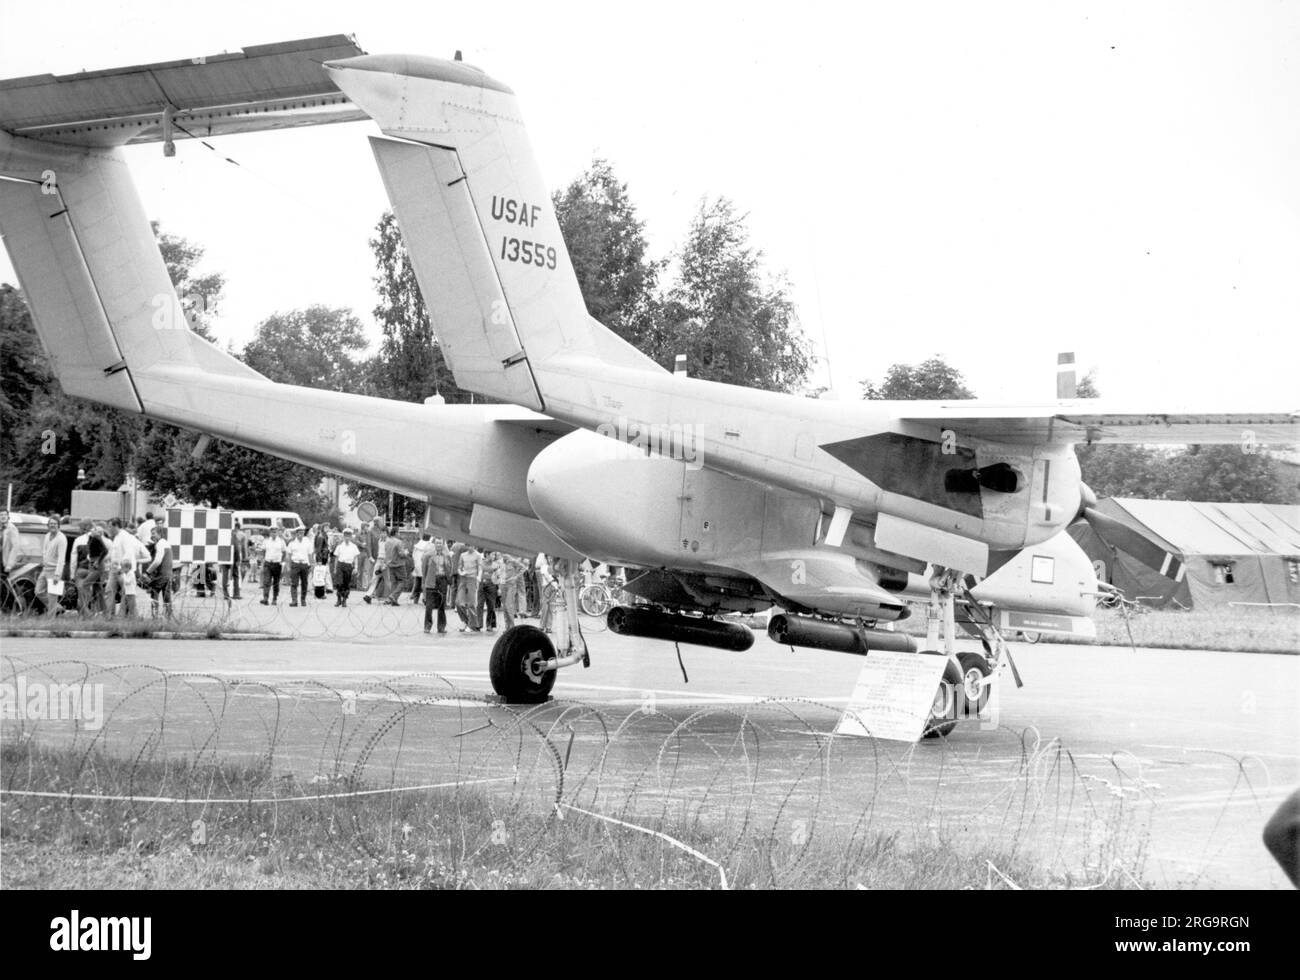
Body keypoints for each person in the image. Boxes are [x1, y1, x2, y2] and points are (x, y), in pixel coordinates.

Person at [35, 516, 68, 616]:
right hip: (45, 569)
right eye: (50, 524)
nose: (52, 525)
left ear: (58, 525)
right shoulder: (47, 535)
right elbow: (45, 551)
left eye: (54, 524)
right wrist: (44, 561)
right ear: (48, 525)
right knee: (38, 591)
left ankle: (51, 619)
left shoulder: (61, 538)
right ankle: (58, 608)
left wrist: (57, 574)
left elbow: (61, 558)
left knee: (52, 596)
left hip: (54, 570)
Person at [421, 538, 451, 634]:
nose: (439, 545)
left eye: (440, 543)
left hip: (442, 580)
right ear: (434, 544)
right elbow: (424, 570)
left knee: (442, 605)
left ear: (443, 545)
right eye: (437, 543)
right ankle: (427, 626)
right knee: (429, 605)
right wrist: (424, 583)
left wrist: (449, 580)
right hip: (431, 581)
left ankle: (441, 627)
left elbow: (450, 568)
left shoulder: (446, 556)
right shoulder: (428, 555)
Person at [146, 525, 173, 617]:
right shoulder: (166, 543)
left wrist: (147, 572)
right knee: (167, 598)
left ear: (160, 534)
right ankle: (168, 617)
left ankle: (155, 617)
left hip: (161, 574)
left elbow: (157, 561)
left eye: (153, 533)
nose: (152, 536)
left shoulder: (160, 544)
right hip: (168, 574)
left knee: (154, 593)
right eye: (151, 534)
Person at [496, 553, 527, 632]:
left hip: (511, 585)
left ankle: (512, 626)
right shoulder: (499, 562)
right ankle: (507, 626)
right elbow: (499, 575)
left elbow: (523, 568)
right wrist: (499, 587)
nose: (504, 556)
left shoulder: (513, 561)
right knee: (504, 607)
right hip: (503, 585)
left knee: (509, 605)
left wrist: (516, 577)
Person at [455, 544, 482, 632]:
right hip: (464, 578)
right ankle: (465, 621)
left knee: (471, 603)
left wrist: (479, 577)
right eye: (469, 546)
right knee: (459, 602)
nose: (470, 547)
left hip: (472, 579)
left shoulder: (478, 555)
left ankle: (472, 625)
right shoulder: (463, 555)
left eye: (472, 546)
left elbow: (480, 568)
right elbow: (459, 567)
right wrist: (460, 572)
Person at [331, 528, 361, 606]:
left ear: (351, 537)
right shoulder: (340, 546)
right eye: (345, 536)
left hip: (348, 565)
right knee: (339, 583)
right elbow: (336, 558)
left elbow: (355, 558)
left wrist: (356, 568)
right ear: (343, 537)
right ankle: (338, 599)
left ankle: (344, 599)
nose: (347, 538)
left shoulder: (353, 546)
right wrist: (335, 568)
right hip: (340, 565)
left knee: (346, 584)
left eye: (349, 536)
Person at [286, 527, 313, 606]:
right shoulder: (292, 543)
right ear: (296, 533)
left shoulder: (307, 543)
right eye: (299, 532)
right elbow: (289, 555)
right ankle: (294, 600)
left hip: (305, 564)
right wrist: (288, 566)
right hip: (295, 564)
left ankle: (303, 600)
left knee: (304, 583)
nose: (301, 534)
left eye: (302, 532)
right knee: (294, 583)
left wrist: (311, 564)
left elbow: (310, 554)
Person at [261, 526, 285, 605]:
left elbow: (284, 552)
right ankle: (265, 597)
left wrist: (281, 561)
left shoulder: (281, 542)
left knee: (276, 582)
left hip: (277, 564)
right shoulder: (266, 541)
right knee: (266, 581)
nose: (273, 533)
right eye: (272, 532)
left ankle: (274, 598)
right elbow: (263, 551)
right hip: (268, 563)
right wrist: (264, 560)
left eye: (275, 532)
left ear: (277, 532)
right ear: (270, 533)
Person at [477, 550, 500, 633]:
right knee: (479, 604)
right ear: (487, 555)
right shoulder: (481, 563)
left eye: (494, 554)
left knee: (491, 605)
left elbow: (498, 576)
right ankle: (478, 624)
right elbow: (479, 573)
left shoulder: (495, 564)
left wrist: (499, 587)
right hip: (482, 584)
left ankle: (490, 624)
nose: (494, 556)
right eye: (492, 554)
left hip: (492, 585)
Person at [410, 532, 431, 603]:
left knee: (417, 581)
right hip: (424, 566)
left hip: (417, 565)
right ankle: (424, 598)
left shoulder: (417, 545)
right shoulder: (429, 545)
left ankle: (415, 599)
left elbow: (413, 555)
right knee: (423, 583)